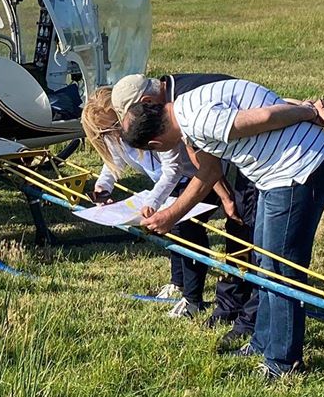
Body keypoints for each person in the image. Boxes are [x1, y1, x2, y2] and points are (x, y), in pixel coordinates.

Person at [120, 78, 324, 380]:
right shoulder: (186, 113)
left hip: (299, 170)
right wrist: (169, 212)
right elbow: (210, 170)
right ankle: (263, 342)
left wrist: (306, 111)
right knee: (264, 261)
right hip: (274, 178)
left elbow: (265, 117)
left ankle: (283, 363)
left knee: (281, 270)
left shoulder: (196, 120)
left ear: (155, 145)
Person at [112, 72, 259, 351]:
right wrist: (226, 196)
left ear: (147, 101)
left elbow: (207, 170)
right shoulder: (172, 98)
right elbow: (205, 160)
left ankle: (250, 319)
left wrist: (172, 214)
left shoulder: (187, 104)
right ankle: (228, 306)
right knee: (236, 228)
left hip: (260, 158)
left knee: (249, 235)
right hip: (241, 156)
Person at [81, 85, 237, 318]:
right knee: (172, 229)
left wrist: (153, 201)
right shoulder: (115, 136)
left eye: (112, 130)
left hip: (194, 176)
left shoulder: (148, 128)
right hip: (167, 184)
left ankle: (192, 300)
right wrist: (103, 187)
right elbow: (115, 162)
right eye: (103, 135)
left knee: (188, 229)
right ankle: (178, 282)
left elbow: (171, 171)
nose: (111, 137)